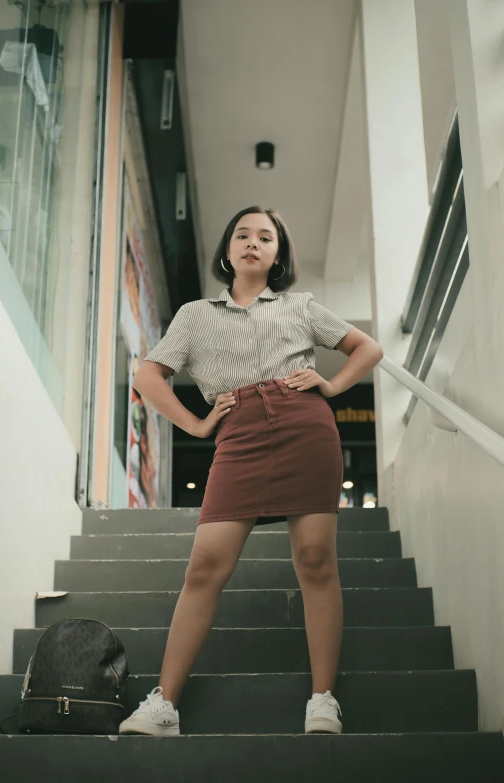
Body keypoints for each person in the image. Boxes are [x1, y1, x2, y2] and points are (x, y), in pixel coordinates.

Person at [119, 205, 384, 737]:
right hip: (236, 432)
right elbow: (149, 376)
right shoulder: (195, 315)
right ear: (227, 249)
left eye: (266, 237)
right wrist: (196, 425)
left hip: (303, 425)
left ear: (278, 253)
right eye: (242, 234)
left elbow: (367, 347)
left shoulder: (300, 307)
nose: (252, 243)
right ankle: (164, 705)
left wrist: (330, 387)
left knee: (314, 560)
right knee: (205, 565)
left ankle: (323, 699)